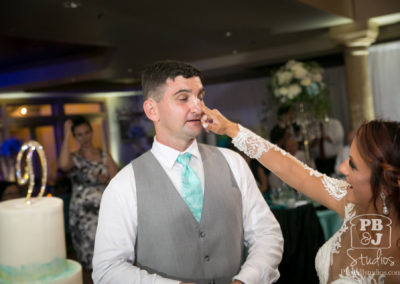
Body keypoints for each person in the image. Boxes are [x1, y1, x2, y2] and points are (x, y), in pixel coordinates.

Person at [92, 60, 283, 284]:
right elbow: (108, 269)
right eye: (183, 98)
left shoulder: (234, 163)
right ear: (152, 110)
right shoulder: (124, 184)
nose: (198, 107)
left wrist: (245, 280)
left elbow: (267, 234)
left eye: (200, 97)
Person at [200, 103, 400, 283]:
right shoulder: (349, 201)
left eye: (353, 165)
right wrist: (231, 129)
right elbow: (294, 171)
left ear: (387, 183)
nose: (341, 168)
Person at [58, 116, 118, 284]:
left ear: (92, 133)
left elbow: (117, 181)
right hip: (83, 215)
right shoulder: (74, 157)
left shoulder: (104, 155)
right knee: (90, 259)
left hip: (105, 211)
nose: (84, 138)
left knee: (110, 254)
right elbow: (63, 165)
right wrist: (65, 135)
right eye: (79, 135)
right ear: (75, 137)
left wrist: (106, 179)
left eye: (86, 133)